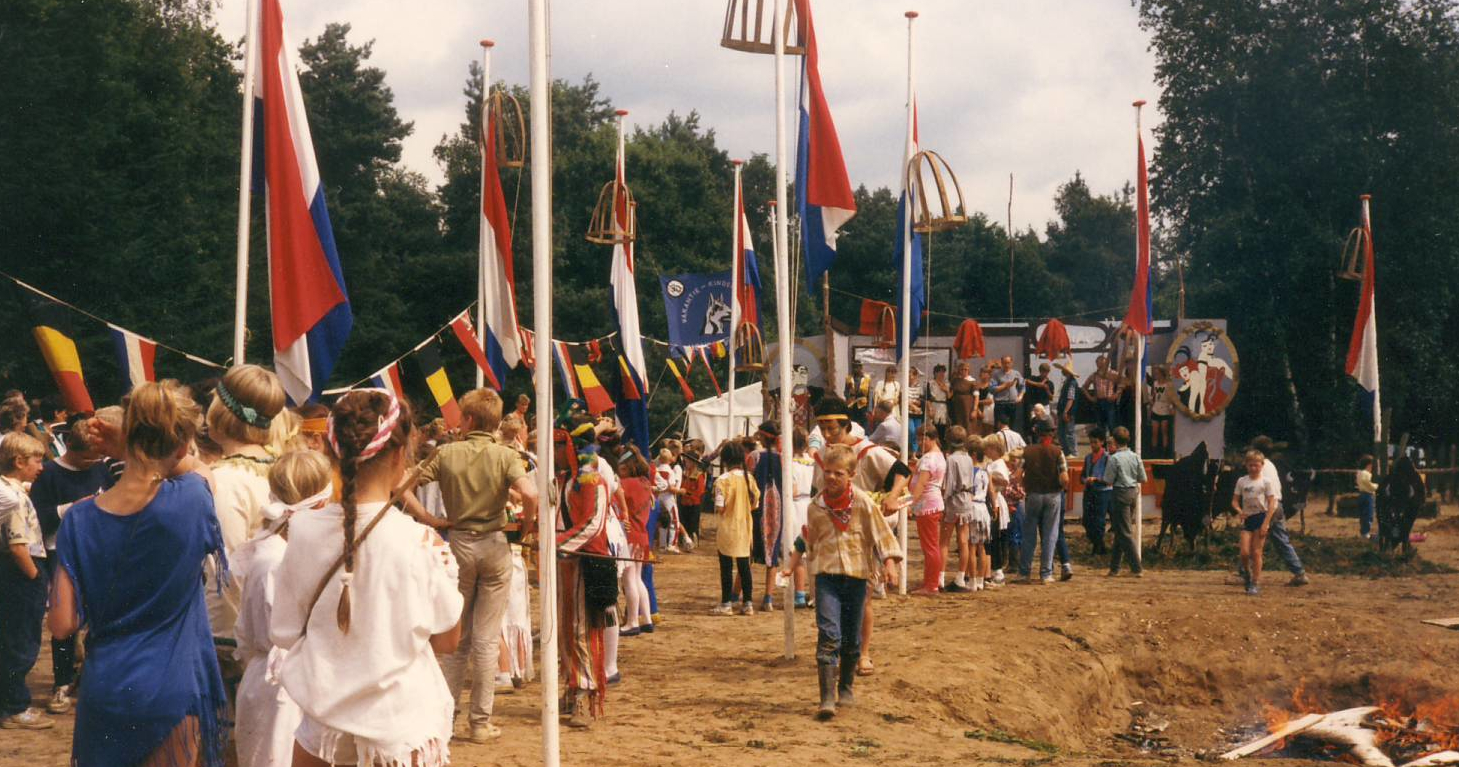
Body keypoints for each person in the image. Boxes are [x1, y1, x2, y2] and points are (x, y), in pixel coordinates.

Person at [272, 389, 464, 765]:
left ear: (330, 452)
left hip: (322, 730)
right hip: (398, 727)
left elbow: (285, 631)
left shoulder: (302, 531)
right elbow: (447, 640)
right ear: (399, 456)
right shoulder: (418, 541)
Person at [49, 381, 229, 764]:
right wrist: (131, 444)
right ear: (181, 442)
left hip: (105, 687)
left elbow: (62, 624)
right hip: (173, 687)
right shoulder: (192, 500)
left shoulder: (78, 520)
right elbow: (194, 466)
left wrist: (129, 446)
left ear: (130, 434)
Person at [402, 388, 536, 743]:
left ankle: (446, 720)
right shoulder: (505, 455)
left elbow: (401, 486)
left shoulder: (446, 453)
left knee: (455, 638)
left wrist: (429, 518)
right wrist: (525, 528)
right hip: (494, 544)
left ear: (470, 419)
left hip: (458, 543)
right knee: (487, 639)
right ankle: (480, 723)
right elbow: (532, 494)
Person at [233, 450, 331, 767]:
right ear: (319, 504)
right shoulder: (276, 559)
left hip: (280, 679)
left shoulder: (281, 549)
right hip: (280, 687)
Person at [798, 443, 902, 721]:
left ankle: (845, 687)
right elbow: (812, 541)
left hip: (857, 577)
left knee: (852, 639)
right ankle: (827, 698)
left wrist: (890, 563)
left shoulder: (863, 503)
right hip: (826, 577)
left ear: (851, 475)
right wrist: (800, 567)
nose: (831, 478)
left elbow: (881, 534)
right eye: (827, 473)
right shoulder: (815, 507)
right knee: (829, 634)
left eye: (838, 474)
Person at [812, 396, 911, 676]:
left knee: (862, 596)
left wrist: (891, 497)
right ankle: (837, 651)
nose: (827, 433)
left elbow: (902, 471)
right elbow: (816, 493)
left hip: (863, 534)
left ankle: (862, 653)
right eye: (822, 427)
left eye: (832, 427)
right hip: (831, 535)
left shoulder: (867, 451)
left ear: (845, 424)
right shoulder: (823, 457)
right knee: (830, 597)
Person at [27, 414, 109, 716]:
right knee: (65, 622)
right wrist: (70, 509)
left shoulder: (102, 469)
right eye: (89, 457)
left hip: (98, 551)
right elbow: (35, 518)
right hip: (60, 552)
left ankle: (90, 678)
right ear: (72, 449)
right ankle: (61, 683)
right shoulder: (48, 474)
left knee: (99, 618)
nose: (95, 462)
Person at [206, 364, 288, 649]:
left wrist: (230, 642)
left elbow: (225, 568)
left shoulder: (226, 482)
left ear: (221, 409)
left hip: (234, 637)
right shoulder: (283, 467)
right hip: (273, 626)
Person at [1, 432, 51, 730]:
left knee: (9, 638)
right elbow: (19, 545)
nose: (42, 466)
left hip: (11, 572)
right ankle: (16, 707)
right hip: (23, 571)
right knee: (22, 641)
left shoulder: (10, 491)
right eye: (37, 460)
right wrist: (35, 578)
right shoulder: (15, 499)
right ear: (19, 462)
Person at [1249, 436, 1309, 586]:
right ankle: (1299, 572)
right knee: (1282, 541)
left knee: (1250, 538)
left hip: (1265, 508)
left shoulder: (1259, 467)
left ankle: (1243, 573)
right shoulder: (1271, 465)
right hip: (1277, 505)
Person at [712, 439, 759, 615]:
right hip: (745, 527)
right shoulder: (750, 479)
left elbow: (720, 507)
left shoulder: (722, 480)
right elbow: (755, 504)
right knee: (744, 567)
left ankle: (726, 603)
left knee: (726, 567)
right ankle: (748, 603)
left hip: (727, 528)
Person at [940, 427, 988, 592]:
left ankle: (940, 577)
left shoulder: (951, 459)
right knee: (963, 541)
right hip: (967, 500)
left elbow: (950, 484)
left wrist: (944, 501)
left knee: (944, 541)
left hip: (954, 500)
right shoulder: (968, 458)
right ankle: (960, 576)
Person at [1019, 421, 1068, 584]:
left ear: (1037, 433)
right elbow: (1064, 477)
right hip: (1053, 494)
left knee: (1029, 535)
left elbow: (1018, 474)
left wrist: (1024, 487)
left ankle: (1024, 572)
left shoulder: (1028, 451)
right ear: (1052, 433)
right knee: (1050, 535)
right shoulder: (1058, 452)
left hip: (1033, 495)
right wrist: (1062, 487)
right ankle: (1046, 573)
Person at [616, 454, 654, 636]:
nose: (619, 471)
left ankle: (632, 621)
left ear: (629, 467)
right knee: (637, 579)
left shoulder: (626, 484)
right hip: (642, 535)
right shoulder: (645, 482)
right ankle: (646, 619)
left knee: (629, 579)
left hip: (629, 536)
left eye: (622, 468)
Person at [1232, 450, 1279, 596]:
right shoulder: (1242, 481)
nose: (1253, 468)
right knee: (1244, 552)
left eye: (1256, 465)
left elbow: (1272, 503)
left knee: (1257, 552)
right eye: (1250, 465)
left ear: (1262, 465)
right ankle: (1247, 573)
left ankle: (1255, 582)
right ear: (1246, 465)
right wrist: (1240, 512)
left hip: (1261, 517)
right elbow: (1234, 501)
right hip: (1248, 519)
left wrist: (1266, 523)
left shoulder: (1266, 482)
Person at [1101, 426, 1146, 577]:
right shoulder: (1135, 456)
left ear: (1115, 440)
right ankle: (1114, 567)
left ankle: (1136, 567)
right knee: (1121, 531)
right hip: (1133, 492)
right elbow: (1143, 478)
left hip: (1120, 492)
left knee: (1124, 532)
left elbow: (1108, 480)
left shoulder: (1114, 458)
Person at [909, 426, 946, 595]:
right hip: (933, 503)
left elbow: (921, 484)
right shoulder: (939, 456)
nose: (918, 443)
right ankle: (930, 582)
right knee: (930, 546)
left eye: (920, 439)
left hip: (927, 504)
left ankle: (931, 585)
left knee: (930, 547)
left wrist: (911, 504)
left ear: (929, 438)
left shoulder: (929, 459)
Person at [1378, 455, 1426, 554]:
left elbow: (1381, 495)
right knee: (1402, 525)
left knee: (1394, 525)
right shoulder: (1414, 478)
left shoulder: (1390, 477)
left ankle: (1393, 544)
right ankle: (1399, 544)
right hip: (1402, 504)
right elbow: (1420, 497)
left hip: (1397, 504)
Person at [1082, 429, 1112, 555]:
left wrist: (1096, 479)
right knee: (1087, 520)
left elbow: (1109, 479)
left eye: (1095, 442)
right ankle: (1098, 544)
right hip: (1089, 491)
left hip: (1103, 492)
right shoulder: (1088, 457)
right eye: (1091, 443)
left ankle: (1098, 547)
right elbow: (1082, 475)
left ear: (1102, 442)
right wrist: (1086, 480)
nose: (1093, 445)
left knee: (1099, 521)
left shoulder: (1107, 458)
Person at [1083, 356, 1123, 435]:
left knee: (1112, 426)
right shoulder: (1094, 375)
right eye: (1099, 363)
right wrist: (1090, 398)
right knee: (1100, 427)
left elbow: (1122, 384)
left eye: (1103, 363)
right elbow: (1084, 387)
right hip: (1099, 402)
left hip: (1109, 402)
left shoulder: (1113, 373)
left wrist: (1116, 394)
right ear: (1097, 364)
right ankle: (1103, 446)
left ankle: (1113, 446)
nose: (1101, 365)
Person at [652, 448, 682, 552]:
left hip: (658, 496)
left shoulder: (656, 470)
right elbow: (671, 487)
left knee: (662, 520)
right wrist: (680, 491)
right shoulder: (670, 471)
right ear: (670, 459)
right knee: (674, 520)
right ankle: (672, 544)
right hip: (668, 498)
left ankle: (662, 545)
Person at [1147, 365, 1175, 458]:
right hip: (1156, 407)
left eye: (1158, 373)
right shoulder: (1155, 383)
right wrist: (1151, 406)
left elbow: (1171, 397)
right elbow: (1153, 395)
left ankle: (1164, 453)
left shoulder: (1168, 384)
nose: (1156, 375)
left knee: (1164, 431)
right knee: (1154, 431)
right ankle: (1154, 453)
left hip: (1165, 408)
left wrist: (1171, 407)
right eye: (1155, 373)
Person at [991, 356, 1024, 431]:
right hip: (1001, 404)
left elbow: (1022, 386)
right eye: (1004, 363)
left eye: (1008, 363)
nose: (1006, 365)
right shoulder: (996, 374)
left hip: (1013, 404)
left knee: (1014, 427)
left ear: (1011, 363)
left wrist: (1020, 396)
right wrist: (1004, 386)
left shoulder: (1016, 373)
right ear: (1001, 363)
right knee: (1000, 427)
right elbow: (992, 389)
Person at [1023, 363, 1054, 438]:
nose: (1046, 374)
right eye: (1044, 371)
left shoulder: (1050, 383)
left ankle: (1045, 439)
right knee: (1034, 423)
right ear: (1040, 371)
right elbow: (1026, 381)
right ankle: (1035, 439)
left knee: (1046, 423)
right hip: (1035, 405)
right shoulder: (1034, 378)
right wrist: (1038, 384)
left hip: (1045, 405)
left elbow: (1051, 397)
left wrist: (1047, 390)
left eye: (1047, 372)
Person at [1055, 363, 1079, 456]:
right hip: (1064, 411)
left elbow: (1070, 398)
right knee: (1062, 432)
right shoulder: (1068, 381)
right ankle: (1067, 452)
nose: (1062, 371)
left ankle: (1072, 452)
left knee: (1069, 432)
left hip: (1067, 411)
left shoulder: (1071, 383)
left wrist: (1065, 411)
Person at [948, 362, 978, 436]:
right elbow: (950, 394)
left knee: (968, 426)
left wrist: (974, 410)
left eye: (966, 369)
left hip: (967, 407)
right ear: (959, 370)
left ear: (968, 370)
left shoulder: (972, 381)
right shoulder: (955, 380)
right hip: (956, 407)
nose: (964, 371)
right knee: (957, 426)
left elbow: (976, 396)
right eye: (962, 369)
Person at [925, 364, 951, 440]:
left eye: (943, 372)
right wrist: (930, 409)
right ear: (935, 373)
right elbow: (927, 398)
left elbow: (949, 397)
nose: (942, 374)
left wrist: (946, 390)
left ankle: (942, 446)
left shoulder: (947, 384)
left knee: (942, 427)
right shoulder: (930, 383)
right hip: (934, 405)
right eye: (940, 372)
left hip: (943, 407)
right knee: (933, 427)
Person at [844, 361, 873, 427]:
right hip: (852, 405)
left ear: (861, 368)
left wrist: (869, 408)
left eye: (857, 367)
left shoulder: (867, 378)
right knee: (852, 424)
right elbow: (846, 391)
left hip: (863, 405)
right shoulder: (848, 378)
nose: (855, 369)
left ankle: (865, 436)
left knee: (864, 424)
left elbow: (870, 394)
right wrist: (848, 398)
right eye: (854, 367)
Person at [1355, 455, 1378, 540]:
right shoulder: (1366, 473)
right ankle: (1365, 533)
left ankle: (1363, 532)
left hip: (1361, 494)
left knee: (1363, 515)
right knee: (1368, 515)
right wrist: (1376, 486)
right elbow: (1368, 484)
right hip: (1368, 495)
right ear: (1369, 464)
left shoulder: (1359, 473)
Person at [906, 367, 925, 441]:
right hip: (908, 412)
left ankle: (914, 451)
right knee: (911, 430)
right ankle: (909, 447)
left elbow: (921, 400)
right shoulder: (905, 386)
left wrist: (914, 403)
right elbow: (904, 399)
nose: (910, 377)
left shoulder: (920, 387)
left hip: (918, 412)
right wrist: (913, 405)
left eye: (911, 375)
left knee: (917, 431)